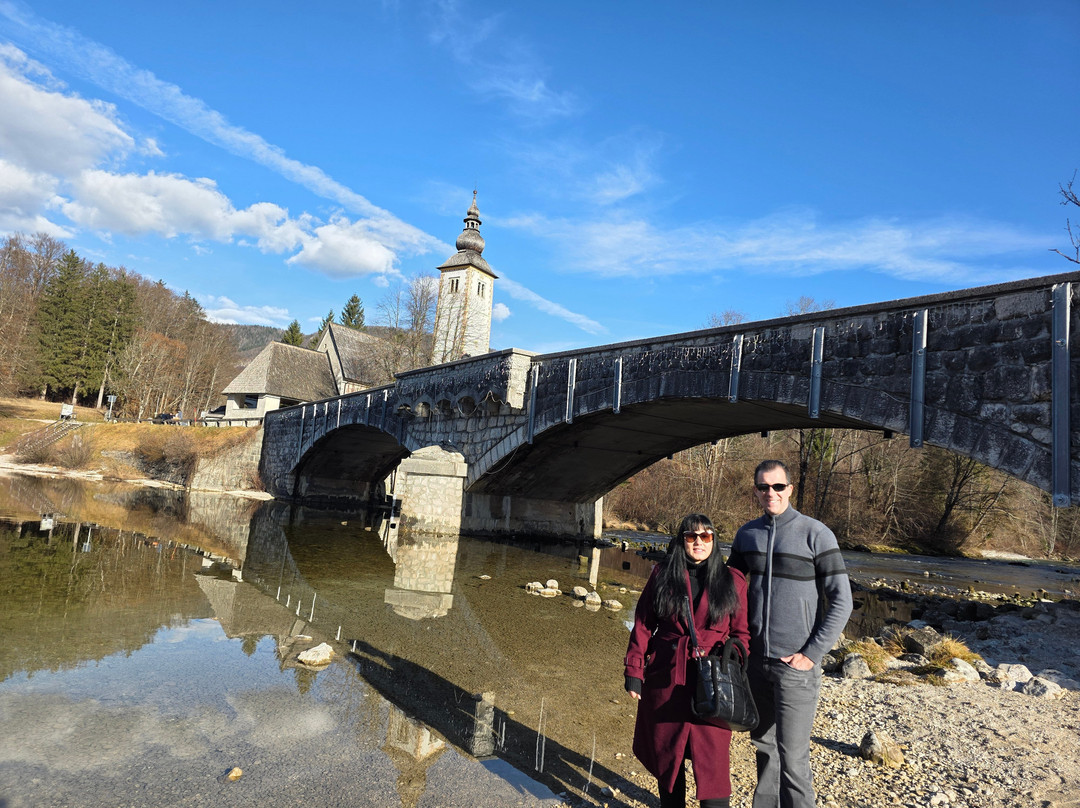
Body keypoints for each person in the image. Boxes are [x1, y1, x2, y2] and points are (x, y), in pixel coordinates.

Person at [728, 460, 853, 808]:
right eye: (763, 487)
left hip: (795, 665)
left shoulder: (816, 533)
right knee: (764, 749)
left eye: (778, 487)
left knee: (794, 759)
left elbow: (842, 600)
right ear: (755, 489)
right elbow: (729, 593)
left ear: (790, 489)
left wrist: (811, 654)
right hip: (756, 663)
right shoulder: (746, 535)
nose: (771, 493)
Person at [624, 514, 750, 808]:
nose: (698, 542)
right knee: (669, 757)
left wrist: (735, 652)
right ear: (681, 540)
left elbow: (743, 633)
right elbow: (643, 624)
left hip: (715, 682)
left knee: (713, 763)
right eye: (692, 536)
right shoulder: (662, 574)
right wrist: (634, 671)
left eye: (705, 537)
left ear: (714, 541)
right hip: (667, 679)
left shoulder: (733, 580)